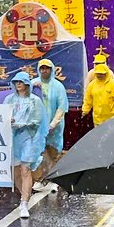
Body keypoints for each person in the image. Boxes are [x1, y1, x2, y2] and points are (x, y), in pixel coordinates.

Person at [5, 71, 46, 220]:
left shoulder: (35, 101)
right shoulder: (9, 99)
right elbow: (2, 116)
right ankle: (23, 195)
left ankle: (24, 203)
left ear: (27, 84)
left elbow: (37, 121)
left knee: (25, 169)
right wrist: (8, 121)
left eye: (21, 82)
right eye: (16, 82)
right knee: (15, 171)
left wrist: (22, 124)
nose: (18, 84)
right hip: (13, 139)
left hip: (28, 138)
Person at [32, 59, 68, 191]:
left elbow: (62, 107)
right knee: (39, 153)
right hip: (37, 127)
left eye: (46, 68)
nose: (44, 71)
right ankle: (40, 179)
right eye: (42, 68)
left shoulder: (58, 87)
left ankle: (54, 179)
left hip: (55, 127)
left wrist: (53, 124)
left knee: (53, 153)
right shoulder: (33, 84)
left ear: (51, 70)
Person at [82, 59, 114, 127]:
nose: (99, 75)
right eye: (98, 74)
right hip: (97, 119)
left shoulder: (113, 85)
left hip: (111, 118)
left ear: (106, 73)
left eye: (101, 74)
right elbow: (88, 99)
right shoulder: (92, 85)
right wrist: (85, 110)